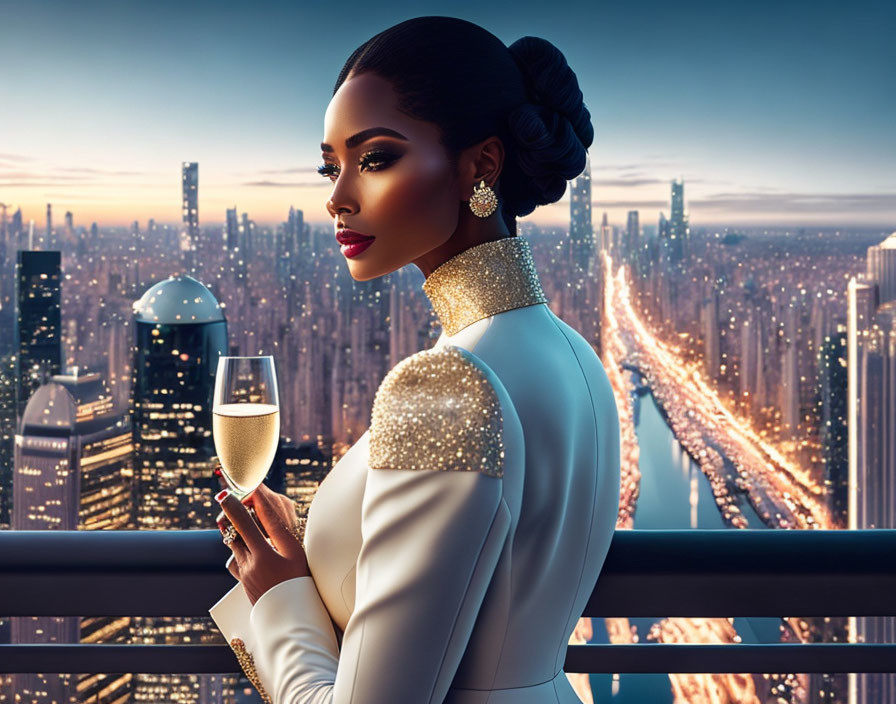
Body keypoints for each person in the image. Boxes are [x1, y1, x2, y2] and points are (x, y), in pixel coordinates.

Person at [209, 15, 621, 704]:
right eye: (330, 165)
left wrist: (280, 598)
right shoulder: (574, 356)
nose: (338, 197)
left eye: (374, 159)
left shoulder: (444, 386)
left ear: (480, 166)